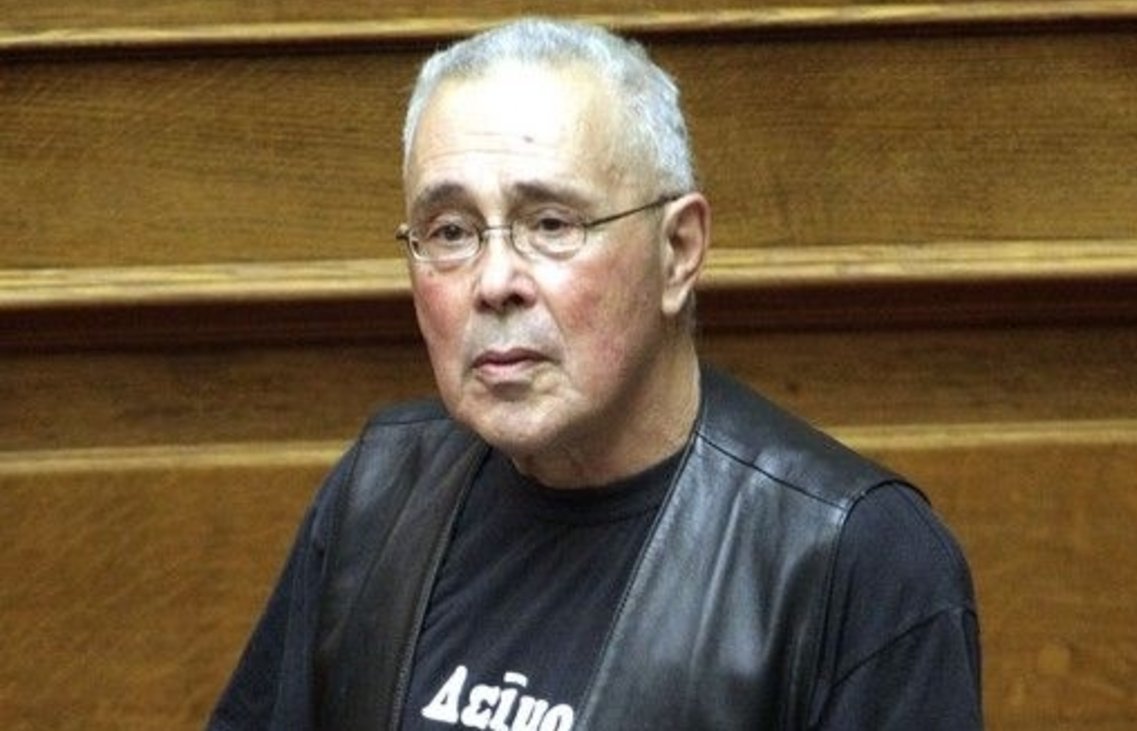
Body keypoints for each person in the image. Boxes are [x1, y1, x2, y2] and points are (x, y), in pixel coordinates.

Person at [210, 17, 981, 731]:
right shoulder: (379, 493)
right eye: (450, 231)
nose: (494, 281)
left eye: (551, 224)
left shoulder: (853, 557)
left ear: (677, 251)